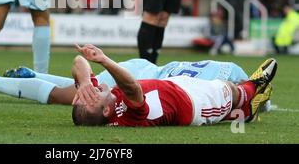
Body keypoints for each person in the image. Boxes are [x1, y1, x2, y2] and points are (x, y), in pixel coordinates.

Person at [71, 44, 277, 127]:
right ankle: (252, 87)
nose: (93, 91)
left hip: (172, 86)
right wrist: (105, 60)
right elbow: (133, 87)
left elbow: (78, 61)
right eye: (91, 97)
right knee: (230, 90)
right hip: (193, 104)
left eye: (86, 93)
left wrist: (85, 83)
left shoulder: (105, 99)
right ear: (106, 110)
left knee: (227, 98)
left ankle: (246, 113)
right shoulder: (124, 114)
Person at [0, 55, 249, 106]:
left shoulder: (227, 67)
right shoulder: (234, 82)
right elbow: (252, 100)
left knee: (79, 87)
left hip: (145, 69)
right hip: (136, 79)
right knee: (69, 96)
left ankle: (33, 76)